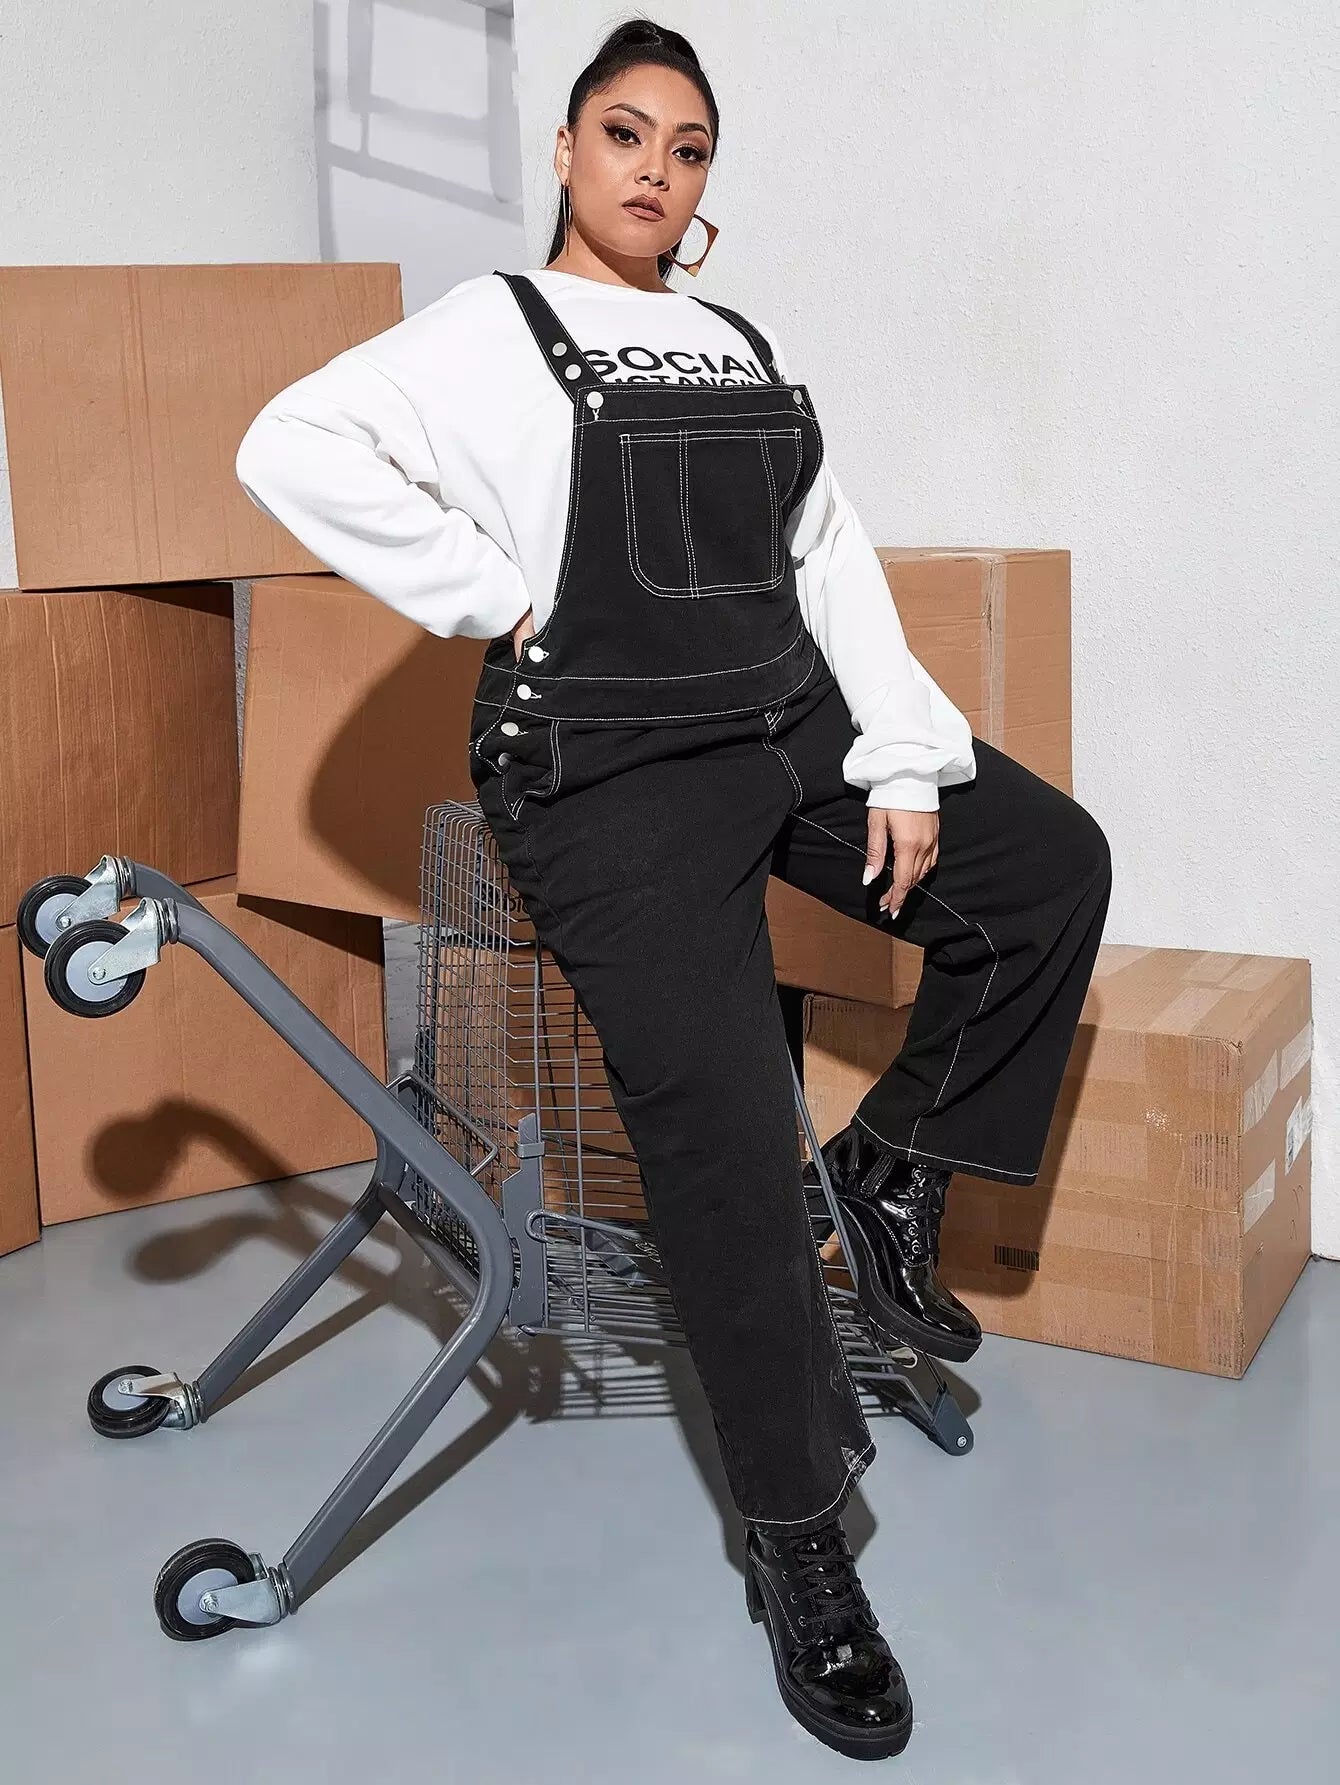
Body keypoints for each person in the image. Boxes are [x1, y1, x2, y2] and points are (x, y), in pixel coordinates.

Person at [234, 16, 1112, 1763]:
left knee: (1047, 870)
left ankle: (893, 1173)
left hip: (784, 714)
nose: (655, 167)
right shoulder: (489, 328)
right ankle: (798, 1543)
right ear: (566, 151)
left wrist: (904, 756)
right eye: (625, 133)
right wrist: (492, 594)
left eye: (688, 146)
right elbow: (288, 444)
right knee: (721, 1136)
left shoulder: (735, 341)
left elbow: (828, 558)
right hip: (605, 762)